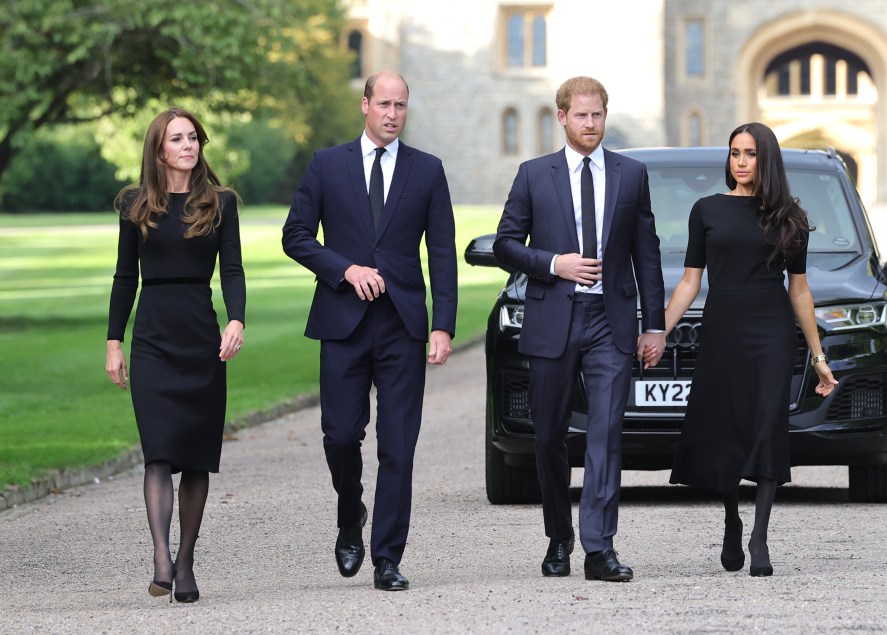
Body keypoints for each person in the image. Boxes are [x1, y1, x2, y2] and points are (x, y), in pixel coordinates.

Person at [282, 70, 457, 591]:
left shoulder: (427, 171)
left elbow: (443, 255)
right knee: (340, 436)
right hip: (343, 321)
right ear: (364, 105)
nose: (392, 114)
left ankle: (387, 558)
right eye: (383, 103)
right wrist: (344, 269)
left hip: (402, 325)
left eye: (400, 105)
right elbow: (295, 235)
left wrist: (443, 325)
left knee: (398, 447)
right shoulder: (327, 164)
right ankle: (349, 511)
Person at [493, 76, 666, 582]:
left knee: (606, 435)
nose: (590, 124)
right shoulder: (533, 175)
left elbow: (647, 255)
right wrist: (554, 264)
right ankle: (558, 537)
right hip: (552, 319)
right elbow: (506, 243)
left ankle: (598, 547)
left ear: (604, 117)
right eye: (581, 115)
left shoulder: (631, 174)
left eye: (598, 115)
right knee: (548, 437)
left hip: (609, 324)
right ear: (562, 117)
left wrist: (653, 326)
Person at [652, 122, 837, 577]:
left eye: (750, 154)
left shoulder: (790, 216)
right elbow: (690, 282)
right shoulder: (707, 210)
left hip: (772, 331)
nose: (740, 161)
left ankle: (760, 536)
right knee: (728, 427)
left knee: (768, 422)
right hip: (723, 329)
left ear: (765, 159)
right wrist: (657, 331)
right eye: (735, 152)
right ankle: (733, 519)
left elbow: (800, 291)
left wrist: (818, 359)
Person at [105, 107, 246, 602]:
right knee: (159, 451)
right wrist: (113, 342)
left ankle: (185, 563)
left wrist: (236, 319)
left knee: (197, 458)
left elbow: (233, 269)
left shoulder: (221, 203)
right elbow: (125, 277)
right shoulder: (135, 204)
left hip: (200, 339)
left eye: (193, 138)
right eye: (177, 139)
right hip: (152, 339)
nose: (188, 145)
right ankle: (162, 561)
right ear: (159, 149)